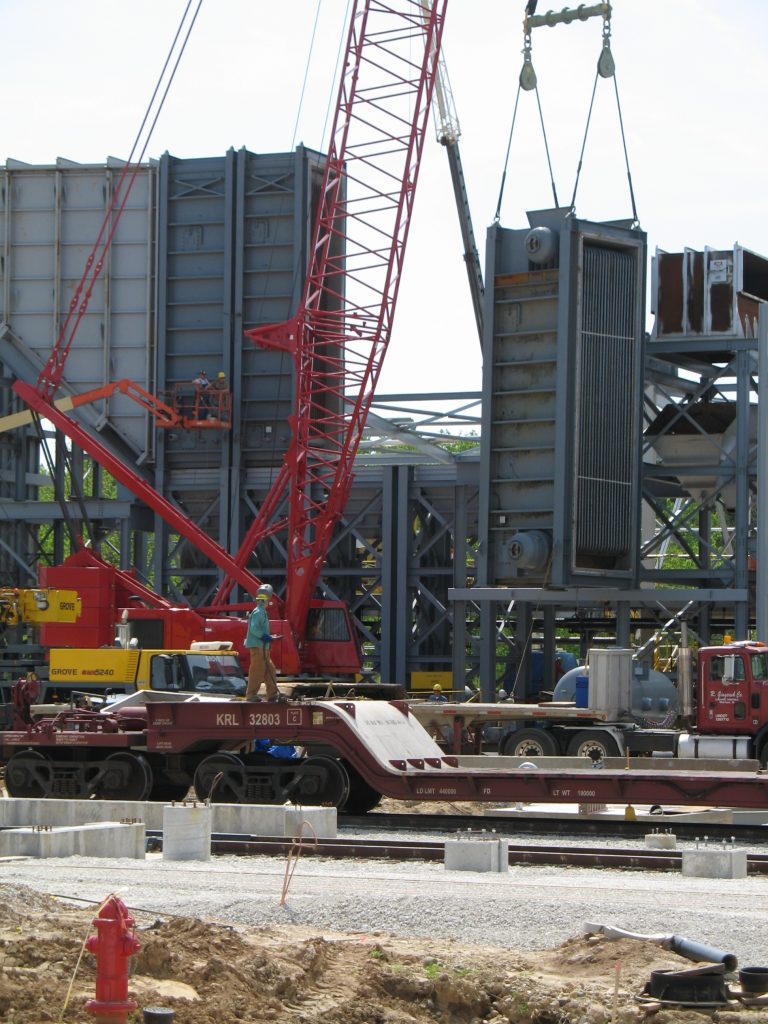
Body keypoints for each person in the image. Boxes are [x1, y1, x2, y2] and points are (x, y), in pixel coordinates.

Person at [245, 584, 285, 702]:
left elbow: (258, 629)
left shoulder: (261, 611)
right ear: (266, 599)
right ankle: (251, 695)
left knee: (270, 670)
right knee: (257, 670)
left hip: (262, 647)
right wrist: (264, 636)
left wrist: (269, 637)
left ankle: (272, 694)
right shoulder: (259, 612)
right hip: (258, 647)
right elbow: (254, 628)